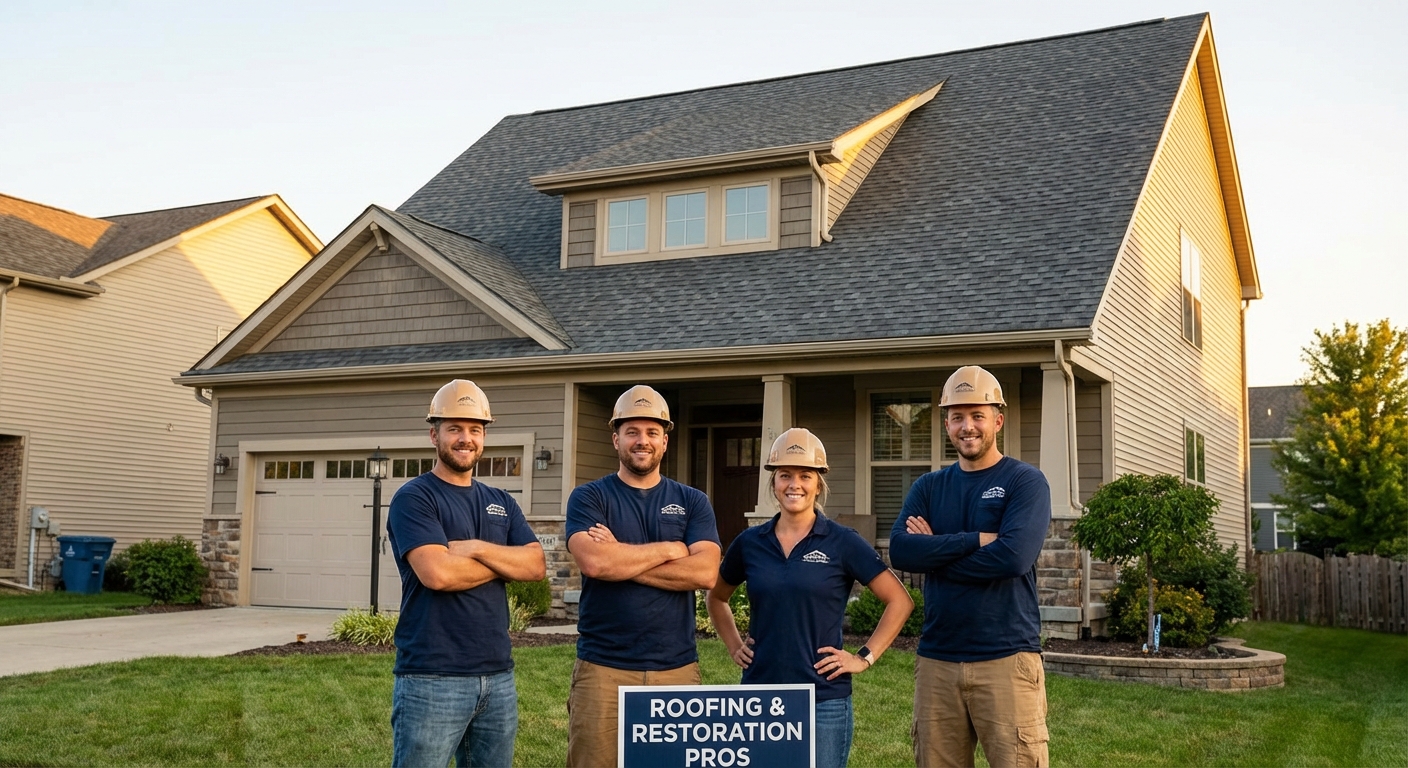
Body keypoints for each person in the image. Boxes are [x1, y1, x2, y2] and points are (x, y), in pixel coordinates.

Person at [707, 428, 913, 768]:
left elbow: (899, 601)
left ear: (818, 484)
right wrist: (733, 645)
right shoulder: (750, 543)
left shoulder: (842, 541)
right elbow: (716, 597)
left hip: (824, 699)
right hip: (760, 694)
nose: (795, 484)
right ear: (774, 482)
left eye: (805, 475)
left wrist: (864, 657)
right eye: (785, 475)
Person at [889, 366, 1052, 768]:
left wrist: (935, 554)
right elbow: (902, 553)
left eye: (978, 415)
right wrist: (974, 540)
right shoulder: (928, 487)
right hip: (937, 660)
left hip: (1007, 658)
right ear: (946, 424)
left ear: (998, 420)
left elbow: (1013, 557)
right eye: (957, 417)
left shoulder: (1025, 482)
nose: (968, 427)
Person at [385, 379, 547, 768]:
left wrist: (476, 549)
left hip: (498, 676)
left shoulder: (500, 500)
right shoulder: (415, 497)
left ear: (484, 437)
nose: (465, 438)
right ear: (434, 435)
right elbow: (438, 574)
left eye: (475, 429)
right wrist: (504, 564)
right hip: (432, 677)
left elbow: (536, 566)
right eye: (454, 428)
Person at [564, 384, 722, 768]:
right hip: (603, 669)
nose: (642, 441)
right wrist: (671, 549)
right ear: (615, 438)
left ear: (665, 441)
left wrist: (620, 558)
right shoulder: (589, 497)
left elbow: (705, 573)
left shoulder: (692, 501)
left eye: (652, 432)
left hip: (676, 669)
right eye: (632, 431)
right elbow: (595, 564)